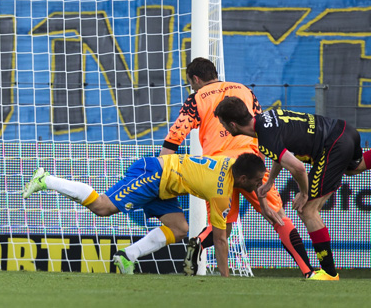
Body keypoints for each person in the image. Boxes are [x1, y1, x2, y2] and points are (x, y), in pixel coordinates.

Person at [160, 58, 314, 278]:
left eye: (190, 83)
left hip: (216, 169)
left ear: (195, 79)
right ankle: (308, 271)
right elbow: (261, 126)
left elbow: (177, 134)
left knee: (223, 225)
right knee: (278, 216)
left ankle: (198, 242)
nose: (191, 87)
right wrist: (263, 161)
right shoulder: (244, 91)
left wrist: (162, 167)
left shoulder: (196, 98)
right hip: (249, 165)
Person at [23, 153, 267, 278]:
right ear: (242, 179)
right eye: (257, 181)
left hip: (166, 186)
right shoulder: (221, 191)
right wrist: (225, 279)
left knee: (180, 228)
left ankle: (128, 255)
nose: (258, 185)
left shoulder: (230, 163)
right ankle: (47, 179)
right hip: (154, 174)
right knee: (103, 208)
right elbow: (221, 238)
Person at [214, 96, 371, 281]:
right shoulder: (265, 119)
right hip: (344, 131)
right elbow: (282, 153)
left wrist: (304, 193)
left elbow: (298, 167)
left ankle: (329, 273)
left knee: (307, 210)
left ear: (232, 125)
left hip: (333, 145)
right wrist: (271, 181)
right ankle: (328, 271)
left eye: (223, 124)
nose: (223, 128)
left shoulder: (265, 138)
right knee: (354, 168)